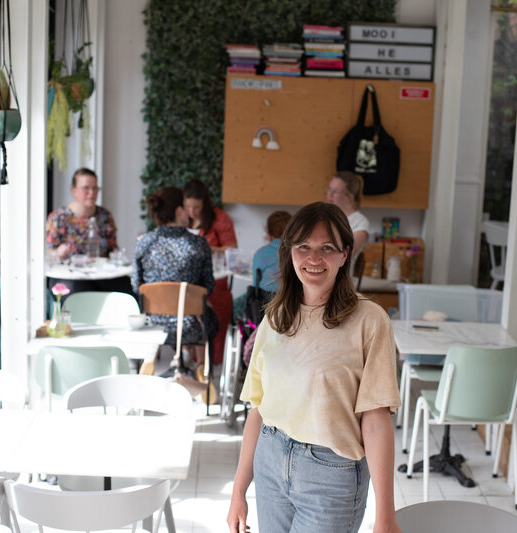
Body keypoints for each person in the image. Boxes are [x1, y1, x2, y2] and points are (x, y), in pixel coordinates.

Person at [227, 202, 401, 533]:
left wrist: (385, 515)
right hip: (270, 458)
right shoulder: (275, 316)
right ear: (289, 251)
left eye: (327, 248)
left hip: (330, 473)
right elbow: (258, 410)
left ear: (345, 254)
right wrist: (238, 490)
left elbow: (377, 421)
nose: (313, 258)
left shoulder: (370, 320)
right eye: (303, 246)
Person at [131, 186, 218, 376]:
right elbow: (209, 287)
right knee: (203, 310)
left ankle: (149, 359)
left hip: (152, 325)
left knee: (155, 310)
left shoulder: (144, 242)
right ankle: (202, 367)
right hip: (191, 327)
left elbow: (136, 285)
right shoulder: (198, 244)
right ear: (179, 211)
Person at [184, 179, 236, 364]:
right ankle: (186, 354)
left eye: (196, 207)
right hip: (188, 281)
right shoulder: (182, 217)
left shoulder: (219, 218)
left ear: (204, 204)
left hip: (214, 281)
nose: (191, 212)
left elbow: (232, 249)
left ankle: (209, 361)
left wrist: (211, 249)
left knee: (215, 309)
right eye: (188, 207)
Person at [45, 168, 117, 260]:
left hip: (101, 272)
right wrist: (57, 253)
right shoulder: (58, 218)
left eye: (95, 188)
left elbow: (113, 250)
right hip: (69, 272)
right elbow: (48, 252)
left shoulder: (105, 216)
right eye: (86, 188)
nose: (91, 193)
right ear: (74, 191)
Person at [327, 171, 370, 263]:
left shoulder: (360, 222)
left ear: (349, 197)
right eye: (329, 189)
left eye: (335, 192)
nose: (329, 195)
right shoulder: (324, 216)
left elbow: (347, 254)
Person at [251, 210, 291, 292]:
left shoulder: (260, 253)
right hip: (292, 300)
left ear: (269, 235)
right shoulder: (299, 252)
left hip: (265, 301)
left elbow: (255, 284)